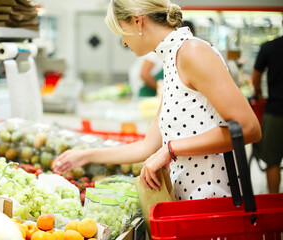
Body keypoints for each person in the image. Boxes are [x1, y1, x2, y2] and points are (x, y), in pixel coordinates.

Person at [53, 0, 261, 200]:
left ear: (138, 21)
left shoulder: (192, 52)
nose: (124, 42)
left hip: (212, 203)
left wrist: (171, 150)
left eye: (122, 32)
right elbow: (148, 147)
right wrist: (86, 155)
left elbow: (249, 128)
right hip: (188, 202)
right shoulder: (171, 61)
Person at [252, 22, 283, 193]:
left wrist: (258, 93)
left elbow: (256, 76)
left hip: (275, 111)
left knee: (273, 162)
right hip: (275, 110)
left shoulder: (270, 47)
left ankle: (275, 202)